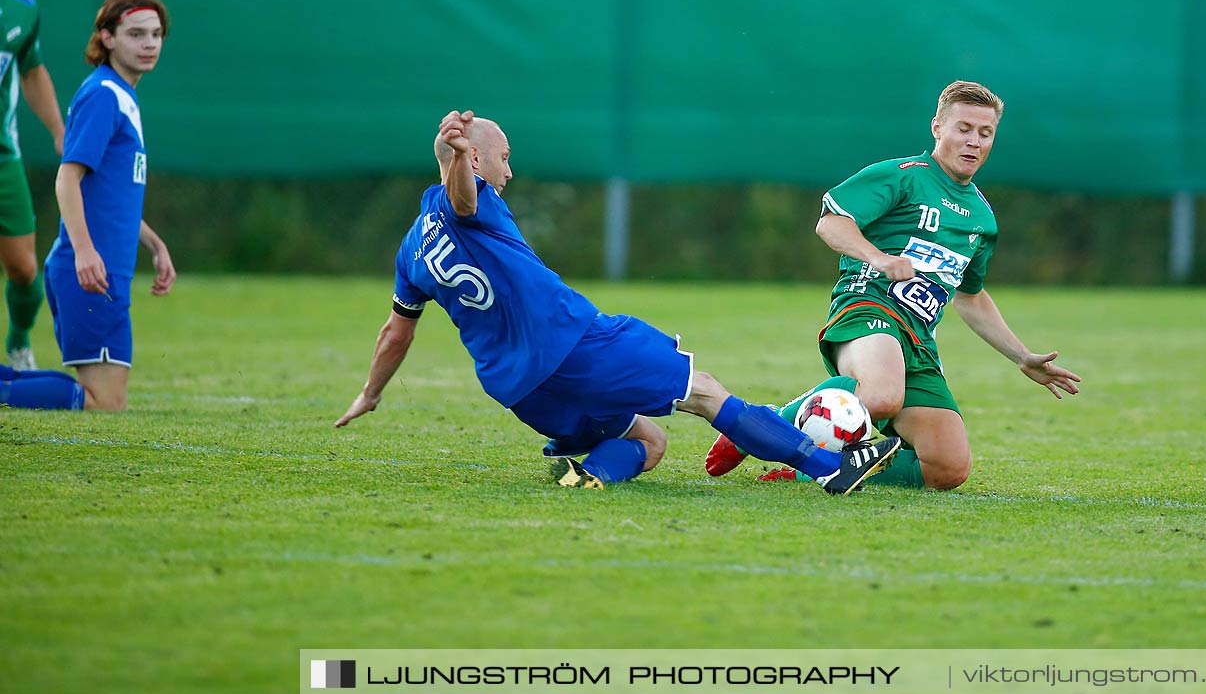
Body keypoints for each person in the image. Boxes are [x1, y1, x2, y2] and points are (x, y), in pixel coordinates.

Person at [334, 110, 901, 495]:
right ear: (476, 162)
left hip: (520, 389)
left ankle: (584, 471)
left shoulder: (412, 247)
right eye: (502, 157)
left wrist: (370, 393)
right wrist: (461, 160)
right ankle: (829, 467)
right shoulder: (473, 196)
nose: (510, 168)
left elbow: (395, 333)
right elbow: (461, 198)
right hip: (579, 345)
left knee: (649, 442)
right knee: (704, 393)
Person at [706, 80, 1081, 490]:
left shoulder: (981, 217)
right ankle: (766, 421)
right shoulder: (901, 176)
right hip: (869, 308)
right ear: (938, 127)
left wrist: (1022, 356)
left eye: (984, 133)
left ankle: (804, 468)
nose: (974, 141)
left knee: (947, 468)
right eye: (963, 128)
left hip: (918, 342)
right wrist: (879, 258)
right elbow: (831, 222)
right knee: (883, 396)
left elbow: (970, 297)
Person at [1, 0, 176, 412]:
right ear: (107, 37)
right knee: (105, 402)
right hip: (90, 271)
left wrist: (154, 244)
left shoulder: (121, 95)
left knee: (104, 399)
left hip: (104, 269)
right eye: (136, 34)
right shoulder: (103, 95)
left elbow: (113, 197)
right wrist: (83, 251)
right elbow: (67, 179)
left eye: (156, 34)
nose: (149, 43)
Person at [0, 0, 67, 370]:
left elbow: (33, 72)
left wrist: (61, 132)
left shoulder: (21, 5)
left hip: (4, 155)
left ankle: (19, 343)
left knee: (25, 267)